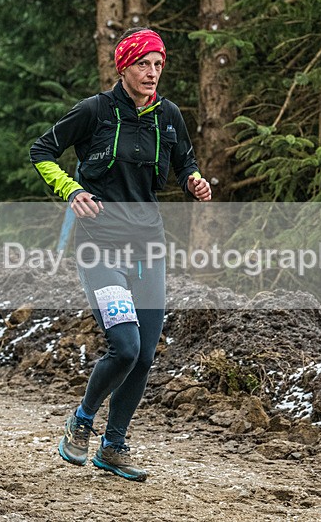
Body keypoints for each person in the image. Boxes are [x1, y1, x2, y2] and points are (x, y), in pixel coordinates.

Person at [30, 27, 211, 482]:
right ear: (124, 67)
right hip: (100, 247)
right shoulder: (94, 110)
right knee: (125, 346)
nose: (152, 73)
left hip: (148, 247)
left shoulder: (168, 115)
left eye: (158, 65)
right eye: (143, 64)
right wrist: (71, 190)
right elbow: (42, 151)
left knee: (145, 355)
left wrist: (193, 180)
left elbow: (184, 161)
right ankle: (82, 420)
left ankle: (113, 447)